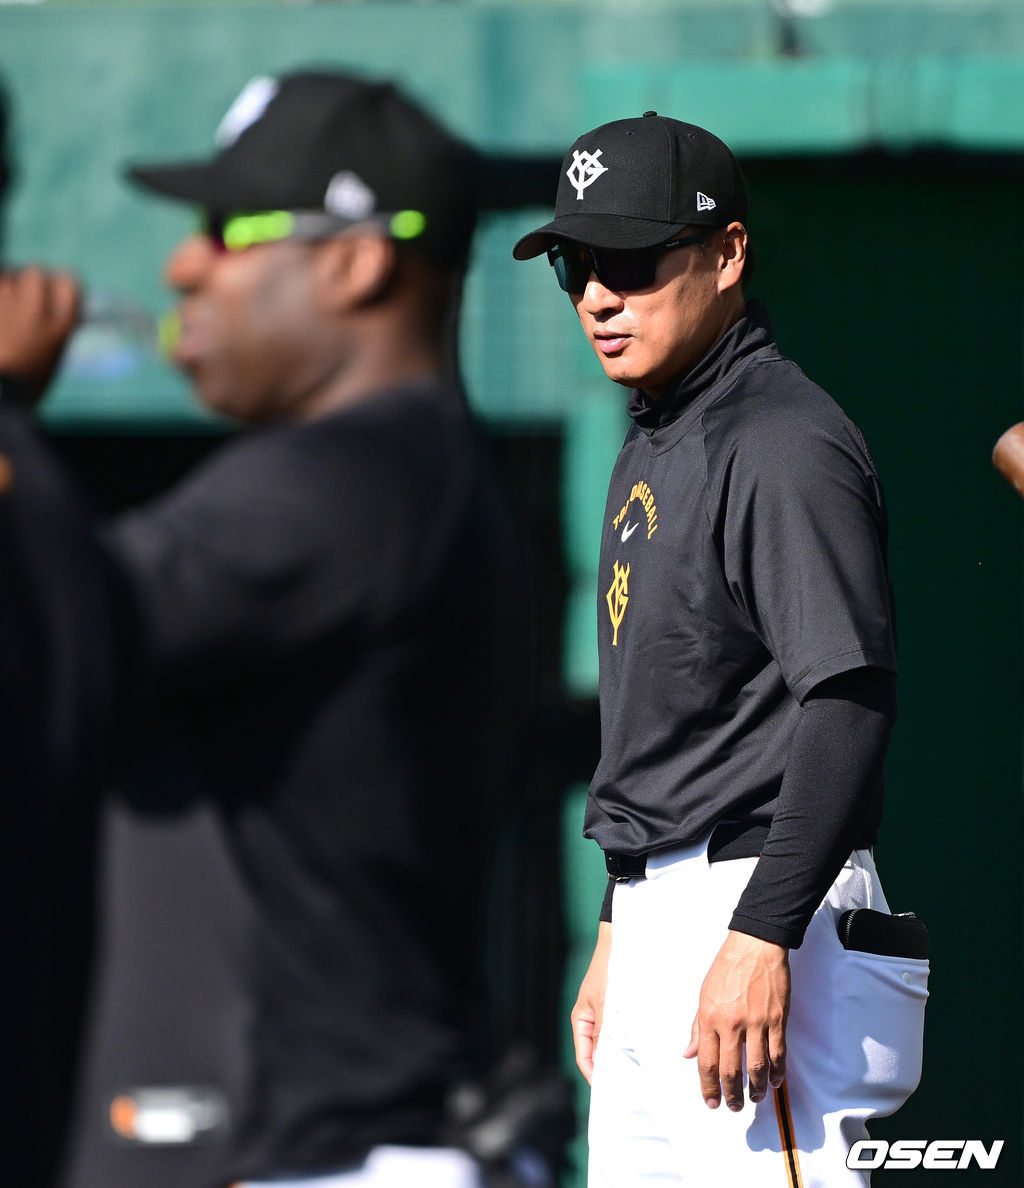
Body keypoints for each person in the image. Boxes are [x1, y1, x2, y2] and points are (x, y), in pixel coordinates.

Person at [1, 70, 528, 1188]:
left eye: (228, 229)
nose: (183, 265)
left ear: (355, 261)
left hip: (320, 1156)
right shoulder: (410, 474)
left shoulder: (353, 482)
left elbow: (59, 632)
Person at [512, 113, 929, 1186]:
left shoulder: (780, 439)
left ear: (727, 253)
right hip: (664, 915)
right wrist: (622, 918)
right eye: (574, 266)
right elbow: (674, 728)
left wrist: (761, 933)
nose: (597, 296)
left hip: (758, 906)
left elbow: (849, 699)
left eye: (629, 262)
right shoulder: (659, 432)